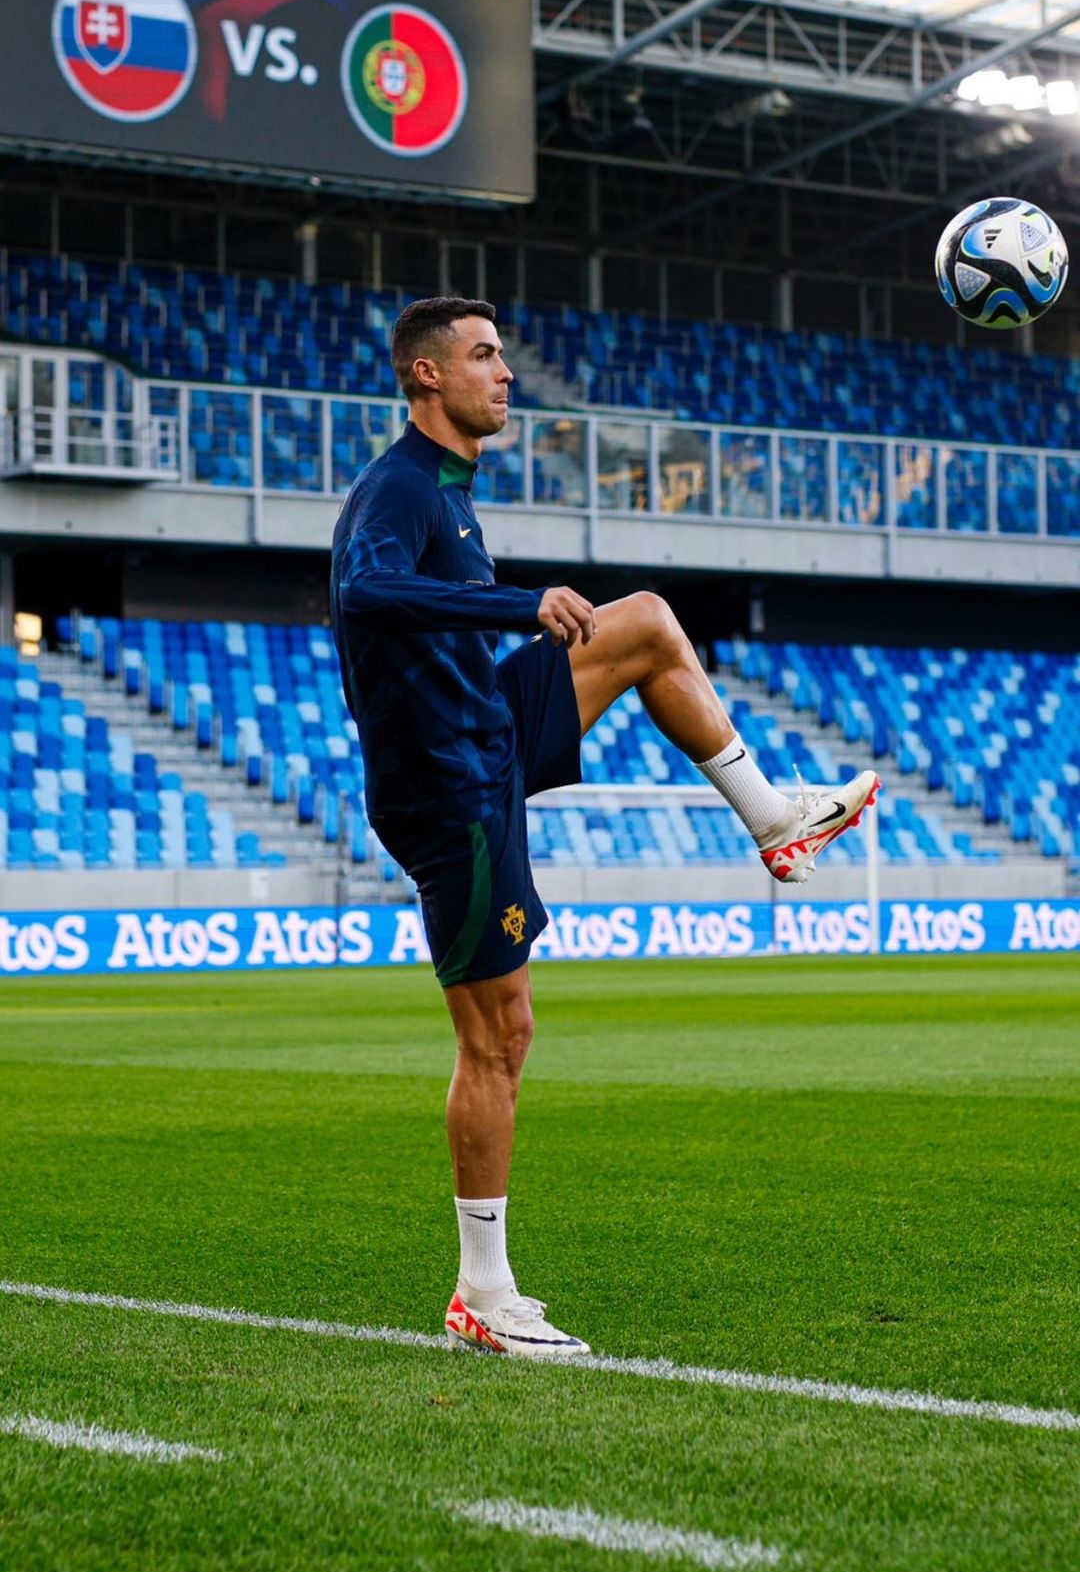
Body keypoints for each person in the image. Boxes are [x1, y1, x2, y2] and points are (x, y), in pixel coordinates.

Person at [330, 297, 879, 1362]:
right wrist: (515, 608)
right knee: (501, 1036)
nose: (506, 373)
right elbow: (364, 591)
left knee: (645, 624)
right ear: (425, 377)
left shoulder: (450, 489)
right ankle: (482, 1296)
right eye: (484, 357)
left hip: (485, 724)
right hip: (446, 787)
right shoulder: (397, 488)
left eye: (501, 354)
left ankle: (775, 822)